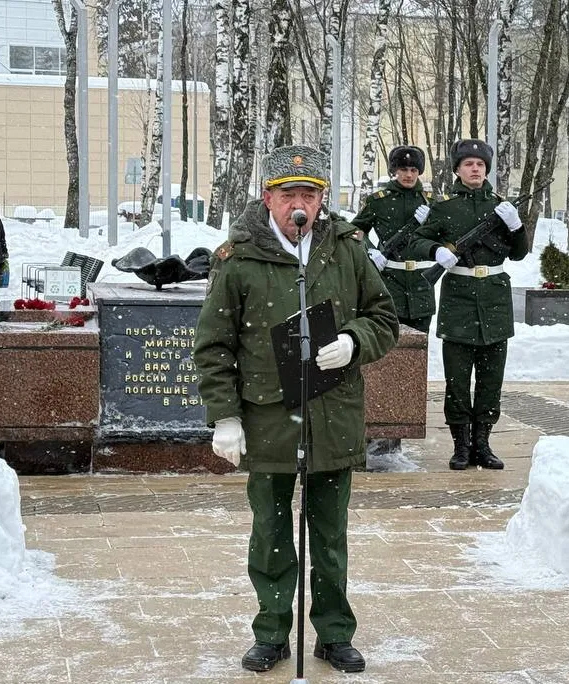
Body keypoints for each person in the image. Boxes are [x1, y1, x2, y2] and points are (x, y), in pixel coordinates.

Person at [193, 145, 398, 674]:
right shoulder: (238, 258)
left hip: (332, 412)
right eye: (289, 195)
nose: (299, 205)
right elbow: (214, 346)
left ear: (322, 200)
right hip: (267, 417)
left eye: (309, 194)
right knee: (271, 531)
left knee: (329, 534)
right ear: (268, 198)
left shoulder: (347, 249)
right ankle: (272, 631)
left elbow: (383, 318)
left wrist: (355, 341)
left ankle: (333, 633)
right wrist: (226, 415)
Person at [408, 139, 528, 471]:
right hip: (458, 299)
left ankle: (483, 444)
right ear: (458, 170)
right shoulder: (445, 207)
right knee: (458, 381)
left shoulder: (501, 206)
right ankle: (461, 446)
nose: (475, 169)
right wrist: (436, 252)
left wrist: (516, 226)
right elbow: (417, 239)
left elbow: (518, 253)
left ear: (486, 169)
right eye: (468, 164)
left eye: (480, 164)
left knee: (491, 379)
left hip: (494, 301)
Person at [351, 145, 442, 334]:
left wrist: (430, 224)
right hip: (390, 282)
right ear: (394, 171)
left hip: (421, 284)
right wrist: (369, 250)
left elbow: (443, 237)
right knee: (387, 345)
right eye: (403, 169)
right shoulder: (379, 201)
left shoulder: (431, 202)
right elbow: (355, 230)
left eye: (413, 170)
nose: (409, 175)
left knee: (418, 350)